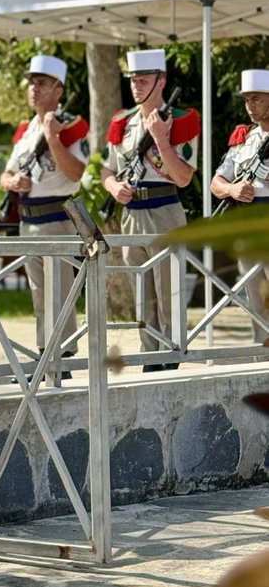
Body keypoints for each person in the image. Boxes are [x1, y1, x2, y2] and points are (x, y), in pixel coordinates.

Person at [101, 48, 199, 369]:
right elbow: (107, 170)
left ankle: (171, 354)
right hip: (132, 213)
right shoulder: (123, 122)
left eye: (143, 80)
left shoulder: (181, 121)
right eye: (133, 80)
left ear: (162, 81)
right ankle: (149, 353)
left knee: (168, 288)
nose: (136, 86)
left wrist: (160, 139)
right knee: (142, 290)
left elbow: (183, 177)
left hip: (164, 209)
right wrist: (114, 188)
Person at [0, 55, 88, 364]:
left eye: (41, 83)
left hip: (56, 217)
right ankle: (44, 352)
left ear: (58, 90)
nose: (33, 89)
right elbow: (4, 175)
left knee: (58, 293)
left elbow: (76, 172)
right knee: (39, 293)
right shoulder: (25, 130)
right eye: (31, 83)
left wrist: (52, 137)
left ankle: (62, 356)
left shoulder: (71, 126)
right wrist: (14, 182)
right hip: (28, 218)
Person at [210, 69, 269, 343]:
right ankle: (261, 361)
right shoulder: (244, 140)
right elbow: (216, 182)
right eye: (247, 100)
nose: (250, 106)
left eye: (256, 98)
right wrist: (232, 189)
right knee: (254, 298)